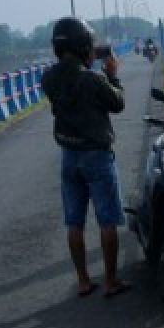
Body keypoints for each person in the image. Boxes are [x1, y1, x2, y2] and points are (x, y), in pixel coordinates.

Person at [41, 16, 131, 298]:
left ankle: (82, 281)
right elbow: (118, 103)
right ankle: (111, 281)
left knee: (74, 222)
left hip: (68, 155)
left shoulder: (49, 78)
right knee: (107, 220)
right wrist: (113, 74)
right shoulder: (92, 79)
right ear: (82, 46)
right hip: (96, 156)